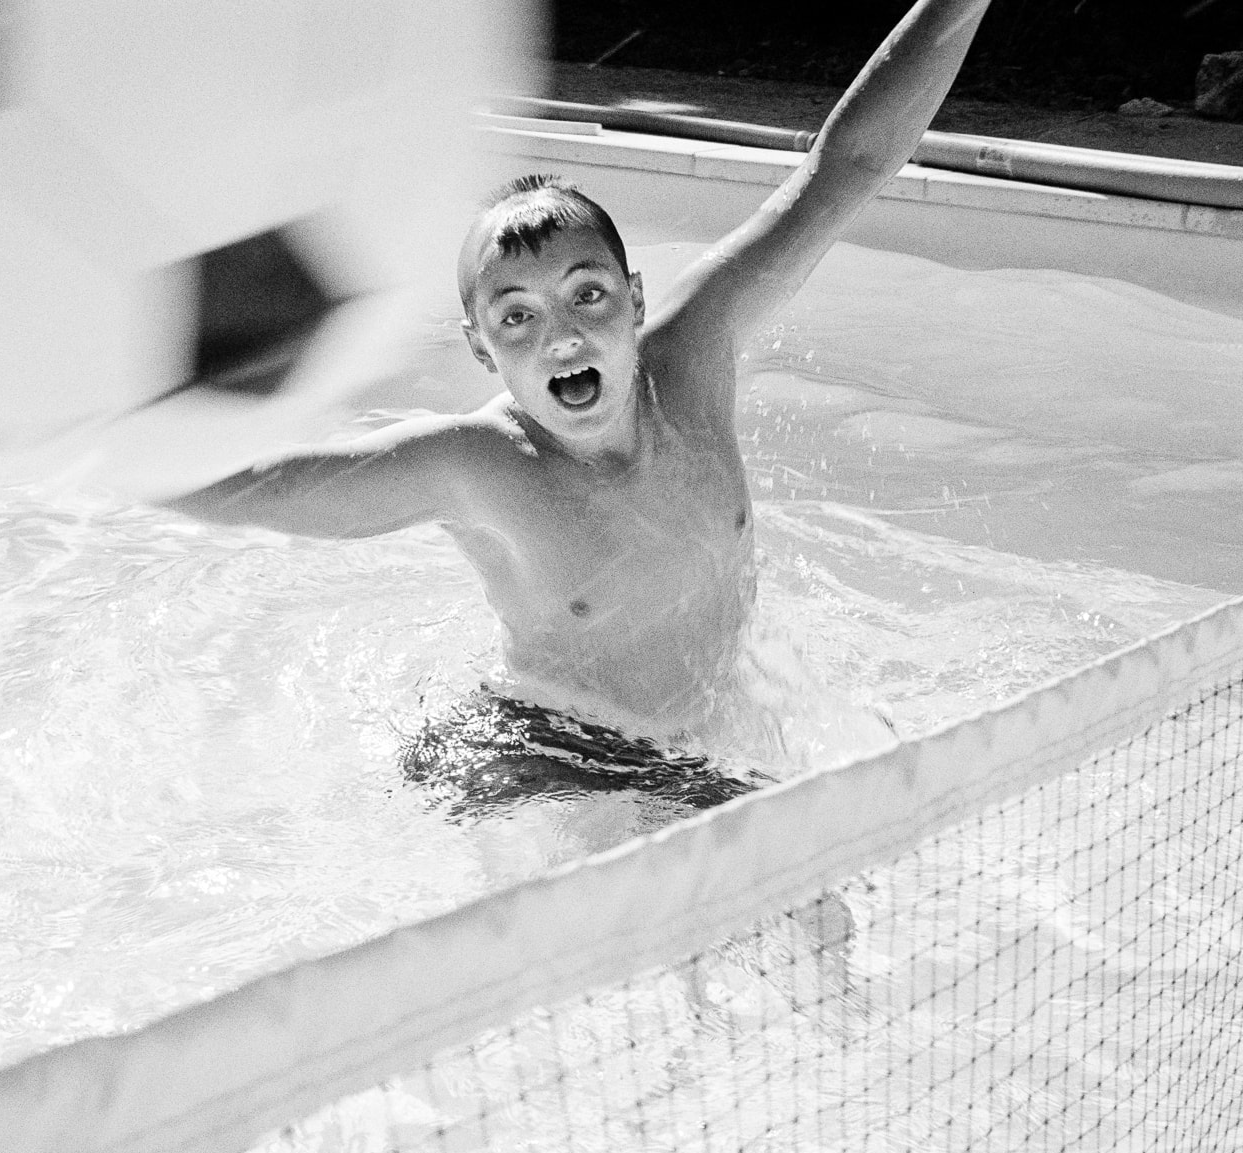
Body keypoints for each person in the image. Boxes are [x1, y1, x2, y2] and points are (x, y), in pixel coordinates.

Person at [171, 0, 994, 811]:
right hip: (564, 754)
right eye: (517, 318)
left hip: (711, 725)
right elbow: (270, 486)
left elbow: (845, 169)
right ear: (481, 350)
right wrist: (91, 456)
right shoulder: (480, 466)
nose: (560, 338)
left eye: (586, 296)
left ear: (635, 300)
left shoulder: (696, 356)